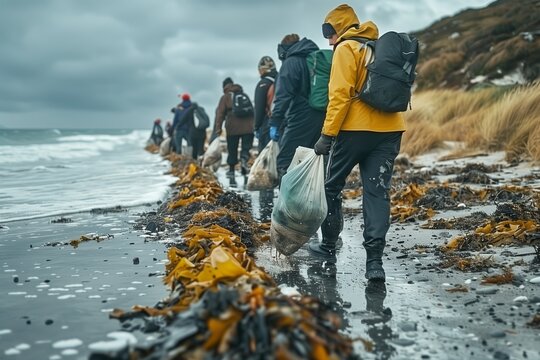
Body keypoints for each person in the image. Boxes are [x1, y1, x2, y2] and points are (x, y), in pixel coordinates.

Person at [309, 4, 406, 283]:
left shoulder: (346, 49)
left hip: (353, 130)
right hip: (390, 130)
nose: (329, 39)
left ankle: (328, 246)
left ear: (340, 28)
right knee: (377, 193)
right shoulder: (378, 47)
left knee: (331, 187)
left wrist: (327, 135)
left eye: (330, 32)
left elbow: (339, 95)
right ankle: (374, 263)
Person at [268, 34, 325, 179]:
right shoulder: (314, 59)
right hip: (322, 115)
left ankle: (288, 200)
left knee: (286, 160)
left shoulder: (291, 62)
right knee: (312, 158)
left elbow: (283, 95)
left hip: (300, 115)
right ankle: (311, 198)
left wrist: (275, 121)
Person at [214, 77, 254, 176]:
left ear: (224, 87)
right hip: (248, 127)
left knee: (232, 148)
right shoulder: (243, 95)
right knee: (246, 147)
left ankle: (231, 169)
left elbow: (220, 114)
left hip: (232, 127)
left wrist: (218, 128)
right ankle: (244, 160)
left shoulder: (225, 97)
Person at [253, 56, 277, 153]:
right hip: (283, 121)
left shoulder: (263, 84)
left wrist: (256, 126)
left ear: (262, 70)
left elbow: (259, 107)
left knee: (265, 153)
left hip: (267, 122)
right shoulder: (281, 80)